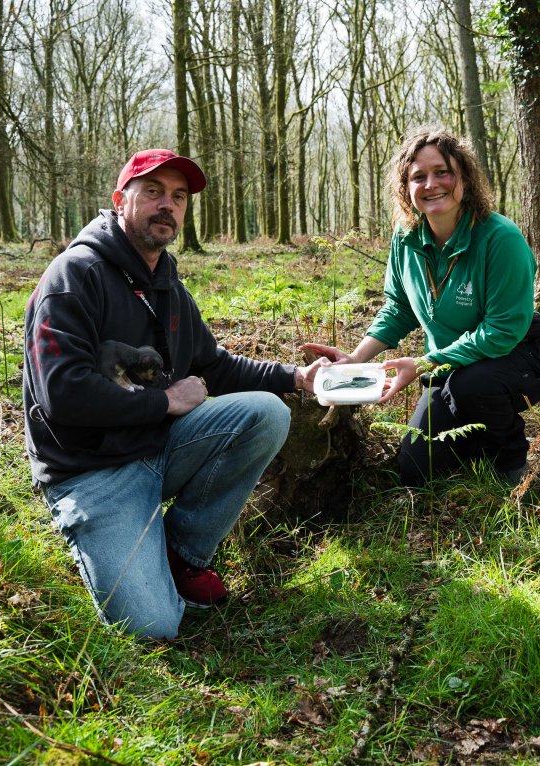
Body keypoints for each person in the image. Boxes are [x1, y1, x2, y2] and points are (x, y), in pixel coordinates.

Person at [23, 149, 326, 640]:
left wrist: (297, 377)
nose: (168, 205)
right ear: (121, 200)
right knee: (152, 627)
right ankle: (114, 539)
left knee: (265, 413)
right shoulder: (74, 276)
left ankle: (181, 553)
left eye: (179, 197)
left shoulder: (168, 286)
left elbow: (213, 365)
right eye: (154, 192)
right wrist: (165, 402)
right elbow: (62, 393)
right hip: (90, 474)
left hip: (156, 447)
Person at [304, 128, 540, 487]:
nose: (431, 184)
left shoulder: (501, 238)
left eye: (443, 172)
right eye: (418, 177)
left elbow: (501, 333)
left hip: (519, 360)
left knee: (473, 387)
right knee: (415, 470)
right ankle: (473, 441)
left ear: (464, 177)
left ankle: (509, 468)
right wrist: (356, 359)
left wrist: (424, 363)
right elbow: (399, 308)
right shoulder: (405, 238)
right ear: (406, 188)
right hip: (450, 368)